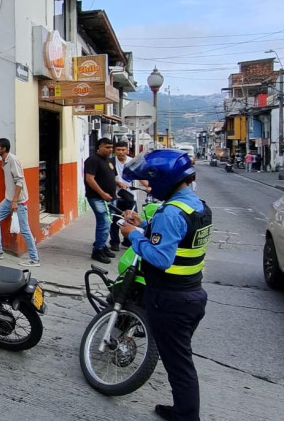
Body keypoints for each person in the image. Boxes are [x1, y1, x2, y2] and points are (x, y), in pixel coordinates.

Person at [119, 150, 212, 421]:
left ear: (163, 180)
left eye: (149, 182)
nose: (148, 187)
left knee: (179, 365)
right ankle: (183, 410)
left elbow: (161, 257)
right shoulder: (196, 205)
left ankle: (186, 416)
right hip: (193, 294)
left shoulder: (170, 213)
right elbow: (178, 236)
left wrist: (134, 235)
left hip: (170, 299)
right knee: (178, 359)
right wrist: (145, 224)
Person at [0, 138, 41, 267]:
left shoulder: (13, 160)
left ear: (3, 148)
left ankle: (34, 259)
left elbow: (20, 181)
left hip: (18, 201)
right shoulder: (4, 161)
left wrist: (14, 201)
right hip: (9, 199)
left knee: (25, 230)